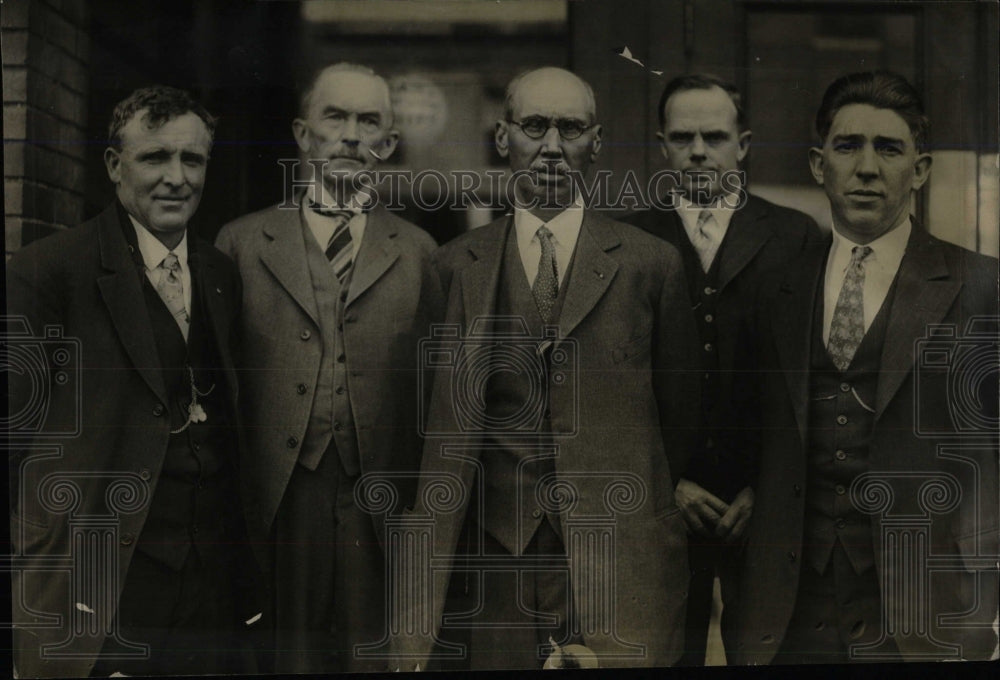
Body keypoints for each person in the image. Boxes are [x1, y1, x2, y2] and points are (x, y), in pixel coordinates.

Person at [394, 66, 700, 670]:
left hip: (616, 555)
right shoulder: (454, 266)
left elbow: (679, 418)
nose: (553, 146)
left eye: (571, 128)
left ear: (597, 142)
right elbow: (430, 420)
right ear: (502, 137)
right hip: (494, 560)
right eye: (534, 126)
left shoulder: (651, 264)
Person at [731, 70, 999, 664]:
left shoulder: (982, 285)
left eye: (889, 149)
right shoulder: (775, 287)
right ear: (818, 164)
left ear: (920, 170)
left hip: (929, 605)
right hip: (788, 611)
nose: (867, 168)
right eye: (848, 146)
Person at [7, 86, 254, 677]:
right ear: (115, 165)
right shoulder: (47, 272)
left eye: (192, 159)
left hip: (208, 598)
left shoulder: (221, 272)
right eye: (155, 157)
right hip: (98, 594)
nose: (176, 178)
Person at [214, 62, 443, 674]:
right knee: (287, 656)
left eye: (368, 122)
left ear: (388, 142)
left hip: (381, 498)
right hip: (280, 495)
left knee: (376, 654)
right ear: (302, 133)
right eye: (334, 117)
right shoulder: (240, 244)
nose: (350, 135)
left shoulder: (421, 253)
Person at [623, 73, 822, 665]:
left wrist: (767, 490)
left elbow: (809, 385)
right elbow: (617, 386)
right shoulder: (628, 238)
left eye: (714, 137)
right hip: (661, 513)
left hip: (760, 514)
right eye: (682, 138)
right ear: (662, 146)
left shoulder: (793, 236)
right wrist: (665, 484)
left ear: (744, 145)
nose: (698, 152)